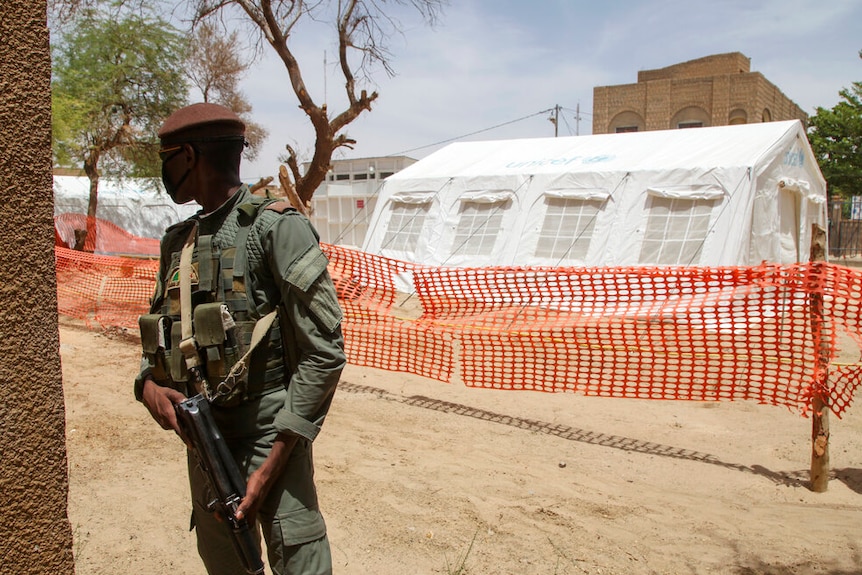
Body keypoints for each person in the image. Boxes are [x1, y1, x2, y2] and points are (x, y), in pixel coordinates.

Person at [134, 102, 345, 575]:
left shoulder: (275, 228)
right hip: (206, 447)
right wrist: (147, 386)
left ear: (188, 155)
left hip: (273, 441)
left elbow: (324, 353)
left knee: (300, 562)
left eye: (167, 157)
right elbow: (159, 341)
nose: (165, 169)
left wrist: (271, 466)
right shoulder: (177, 242)